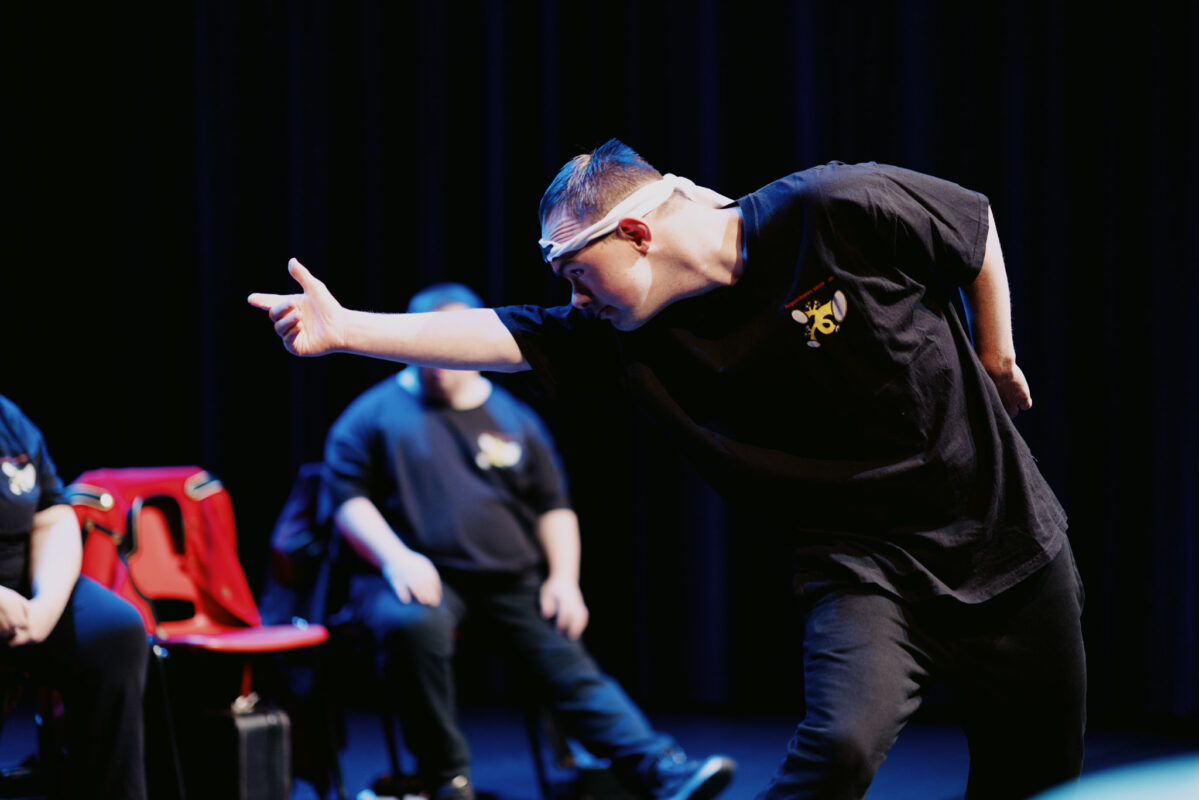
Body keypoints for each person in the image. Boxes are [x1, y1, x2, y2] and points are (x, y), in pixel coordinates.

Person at [249, 139, 1086, 800]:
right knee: (836, 749)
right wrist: (348, 327)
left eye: (579, 274)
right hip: (860, 569)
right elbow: (503, 334)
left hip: (1004, 543)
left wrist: (995, 351)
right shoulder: (628, 340)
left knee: (1035, 776)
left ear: (638, 235)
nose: (575, 299)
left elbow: (969, 227)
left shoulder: (827, 209)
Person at [320, 282, 736, 800]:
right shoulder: (372, 416)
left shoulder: (514, 418)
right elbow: (346, 500)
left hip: (507, 579)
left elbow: (552, 506)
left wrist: (564, 580)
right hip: (416, 576)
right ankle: (446, 778)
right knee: (412, 627)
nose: (438, 364)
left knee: (564, 654)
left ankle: (660, 769)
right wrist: (397, 559)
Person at [0, 394, 149, 800]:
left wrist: (46, 606)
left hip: (23, 597)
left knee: (114, 632)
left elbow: (53, 513)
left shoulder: (8, 419)